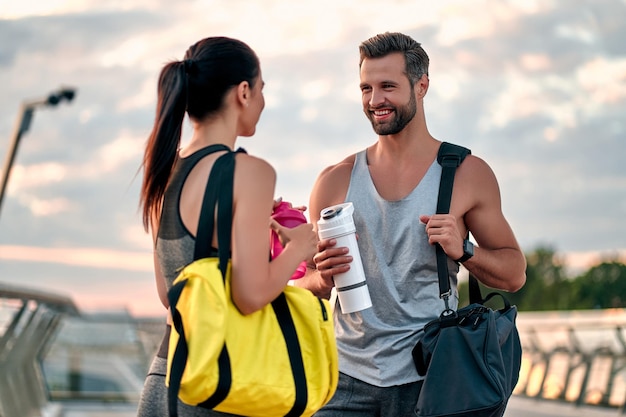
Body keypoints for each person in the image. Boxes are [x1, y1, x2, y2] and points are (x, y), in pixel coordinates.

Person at [294, 32, 527, 416]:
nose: (374, 100)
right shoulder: (334, 181)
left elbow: (514, 274)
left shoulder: (466, 174)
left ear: (422, 86)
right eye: (366, 88)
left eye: (388, 86)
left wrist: (464, 249)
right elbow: (302, 287)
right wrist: (320, 280)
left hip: (435, 378)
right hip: (344, 382)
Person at [136, 36, 318, 417]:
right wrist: (299, 247)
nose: (263, 102)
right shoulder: (249, 172)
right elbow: (250, 296)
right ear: (244, 91)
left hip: (167, 378)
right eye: (262, 89)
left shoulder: (165, 170)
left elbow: (170, 293)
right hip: (224, 382)